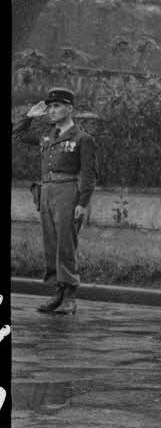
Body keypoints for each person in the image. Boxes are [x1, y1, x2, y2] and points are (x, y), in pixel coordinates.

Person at [13, 87, 98, 315]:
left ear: (69, 108)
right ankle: (58, 293)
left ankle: (70, 296)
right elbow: (18, 135)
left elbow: (89, 176)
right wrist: (29, 117)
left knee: (66, 244)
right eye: (49, 107)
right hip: (46, 191)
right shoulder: (46, 135)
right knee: (51, 244)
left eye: (57, 106)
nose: (51, 110)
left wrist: (82, 203)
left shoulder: (82, 138)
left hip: (68, 192)